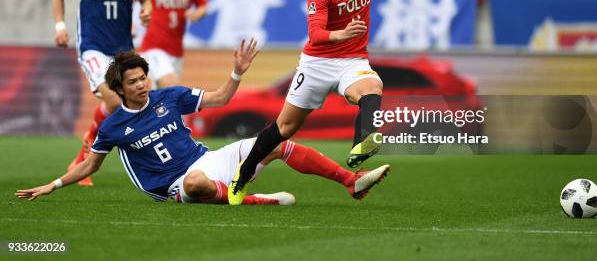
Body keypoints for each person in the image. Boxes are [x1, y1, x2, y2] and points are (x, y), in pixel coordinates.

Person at [15, 48, 390, 204]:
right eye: (133, 81)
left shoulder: (169, 96)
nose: (142, 84)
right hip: (175, 184)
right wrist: (54, 184)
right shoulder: (113, 126)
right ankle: (258, 200)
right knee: (195, 183)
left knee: (272, 140)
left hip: (208, 160)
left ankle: (351, 182)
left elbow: (220, 98)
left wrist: (236, 72)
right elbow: (90, 165)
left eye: (144, 77)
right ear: (120, 88)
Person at [229, 0, 384, 205]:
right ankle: (245, 171)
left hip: (353, 59)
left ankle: (363, 142)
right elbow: (316, 34)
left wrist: (348, 39)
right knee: (285, 127)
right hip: (317, 62)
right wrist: (340, 34)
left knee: (371, 86)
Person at [52, 0, 152, 186]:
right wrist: (60, 27)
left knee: (138, 100)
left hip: (123, 50)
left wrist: (146, 10)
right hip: (93, 47)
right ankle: (88, 152)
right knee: (112, 100)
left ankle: (84, 151)